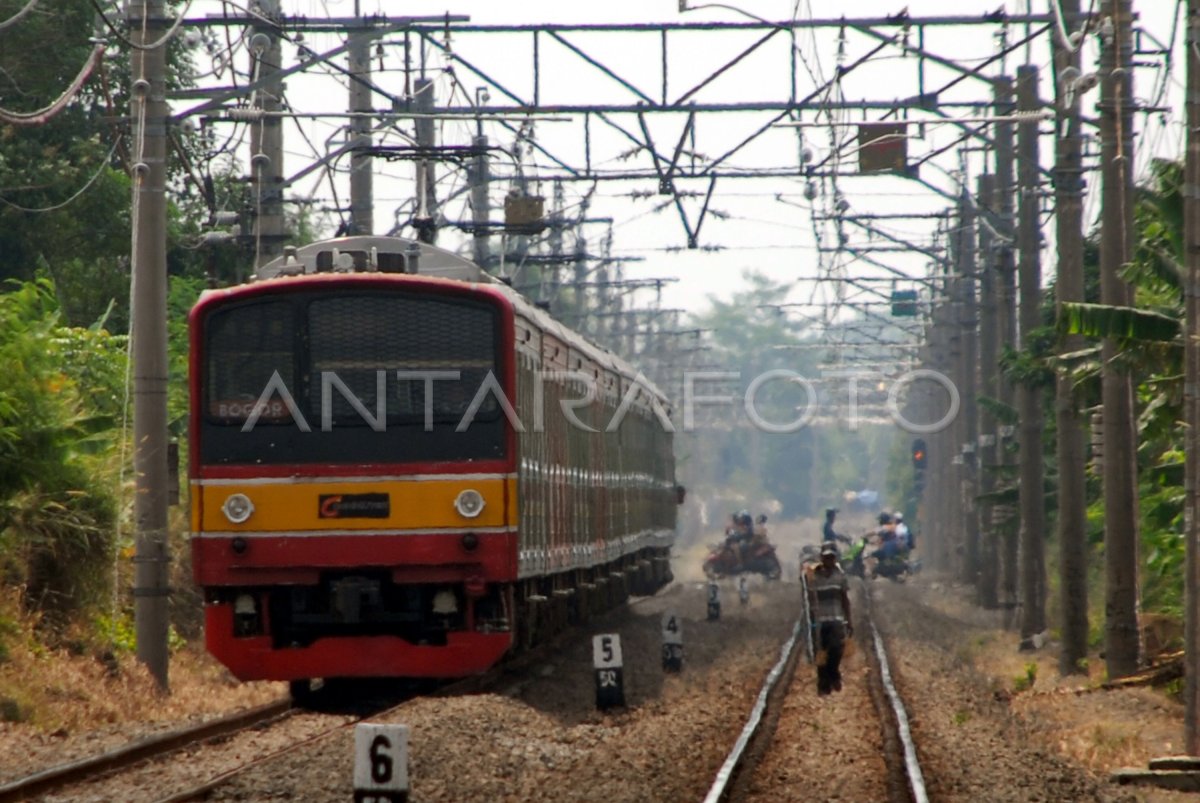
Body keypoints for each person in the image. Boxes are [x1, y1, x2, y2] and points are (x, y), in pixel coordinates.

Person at [808, 541, 853, 694]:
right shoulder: (813, 575)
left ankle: (833, 673)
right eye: (826, 557)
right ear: (821, 558)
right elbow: (808, 597)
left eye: (831, 558)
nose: (828, 560)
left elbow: (845, 599)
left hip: (836, 619)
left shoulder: (840, 576)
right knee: (821, 652)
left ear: (835, 558)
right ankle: (823, 683)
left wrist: (849, 620)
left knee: (836, 649)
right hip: (819, 621)